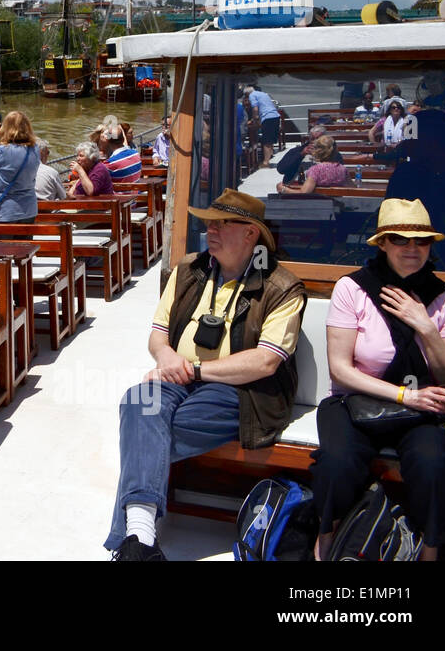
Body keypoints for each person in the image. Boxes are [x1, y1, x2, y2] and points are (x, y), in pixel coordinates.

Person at [107, 190, 306, 560]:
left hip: (242, 389)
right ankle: (143, 540)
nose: (210, 230)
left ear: (251, 234)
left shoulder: (283, 287)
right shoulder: (188, 270)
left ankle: (134, 543)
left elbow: (265, 363)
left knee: (147, 432)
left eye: (221, 224)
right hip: (178, 377)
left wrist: (196, 369)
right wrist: (165, 355)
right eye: (208, 223)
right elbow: (158, 334)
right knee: (138, 403)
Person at [310, 199, 445, 560]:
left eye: (421, 241)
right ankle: (327, 537)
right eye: (399, 239)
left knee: (435, 462)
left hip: (422, 409)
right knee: (336, 460)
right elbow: (340, 370)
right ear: (382, 243)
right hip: (356, 402)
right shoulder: (353, 289)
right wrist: (403, 396)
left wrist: (426, 327)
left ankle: (430, 548)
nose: (412, 249)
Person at [386, 108, 445, 271]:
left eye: (413, 140)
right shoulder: (405, 174)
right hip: (410, 267)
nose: (407, 145)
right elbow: (389, 225)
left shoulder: (408, 174)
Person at [0, 111, 39, 222]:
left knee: (3, 240)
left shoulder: (4, 150)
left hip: (6, 211)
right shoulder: (35, 149)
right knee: (26, 240)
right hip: (29, 209)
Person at [275, 135, 346, 194]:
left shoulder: (316, 169)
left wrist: (284, 190)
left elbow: (304, 193)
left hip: (316, 193)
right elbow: (281, 169)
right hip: (295, 185)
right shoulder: (297, 150)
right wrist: (301, 154)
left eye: (318, 139)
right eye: (312, 138)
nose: (314, 141)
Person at [243, 85, 281, 165]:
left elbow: (255, 109)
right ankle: (268, 158)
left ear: (247, 93)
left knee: (266, 141)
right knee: (270, 140)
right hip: (275, 116)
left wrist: (255, 119)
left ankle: (265, 162)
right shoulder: (263, 94)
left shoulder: (252, 95)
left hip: (267, 117)